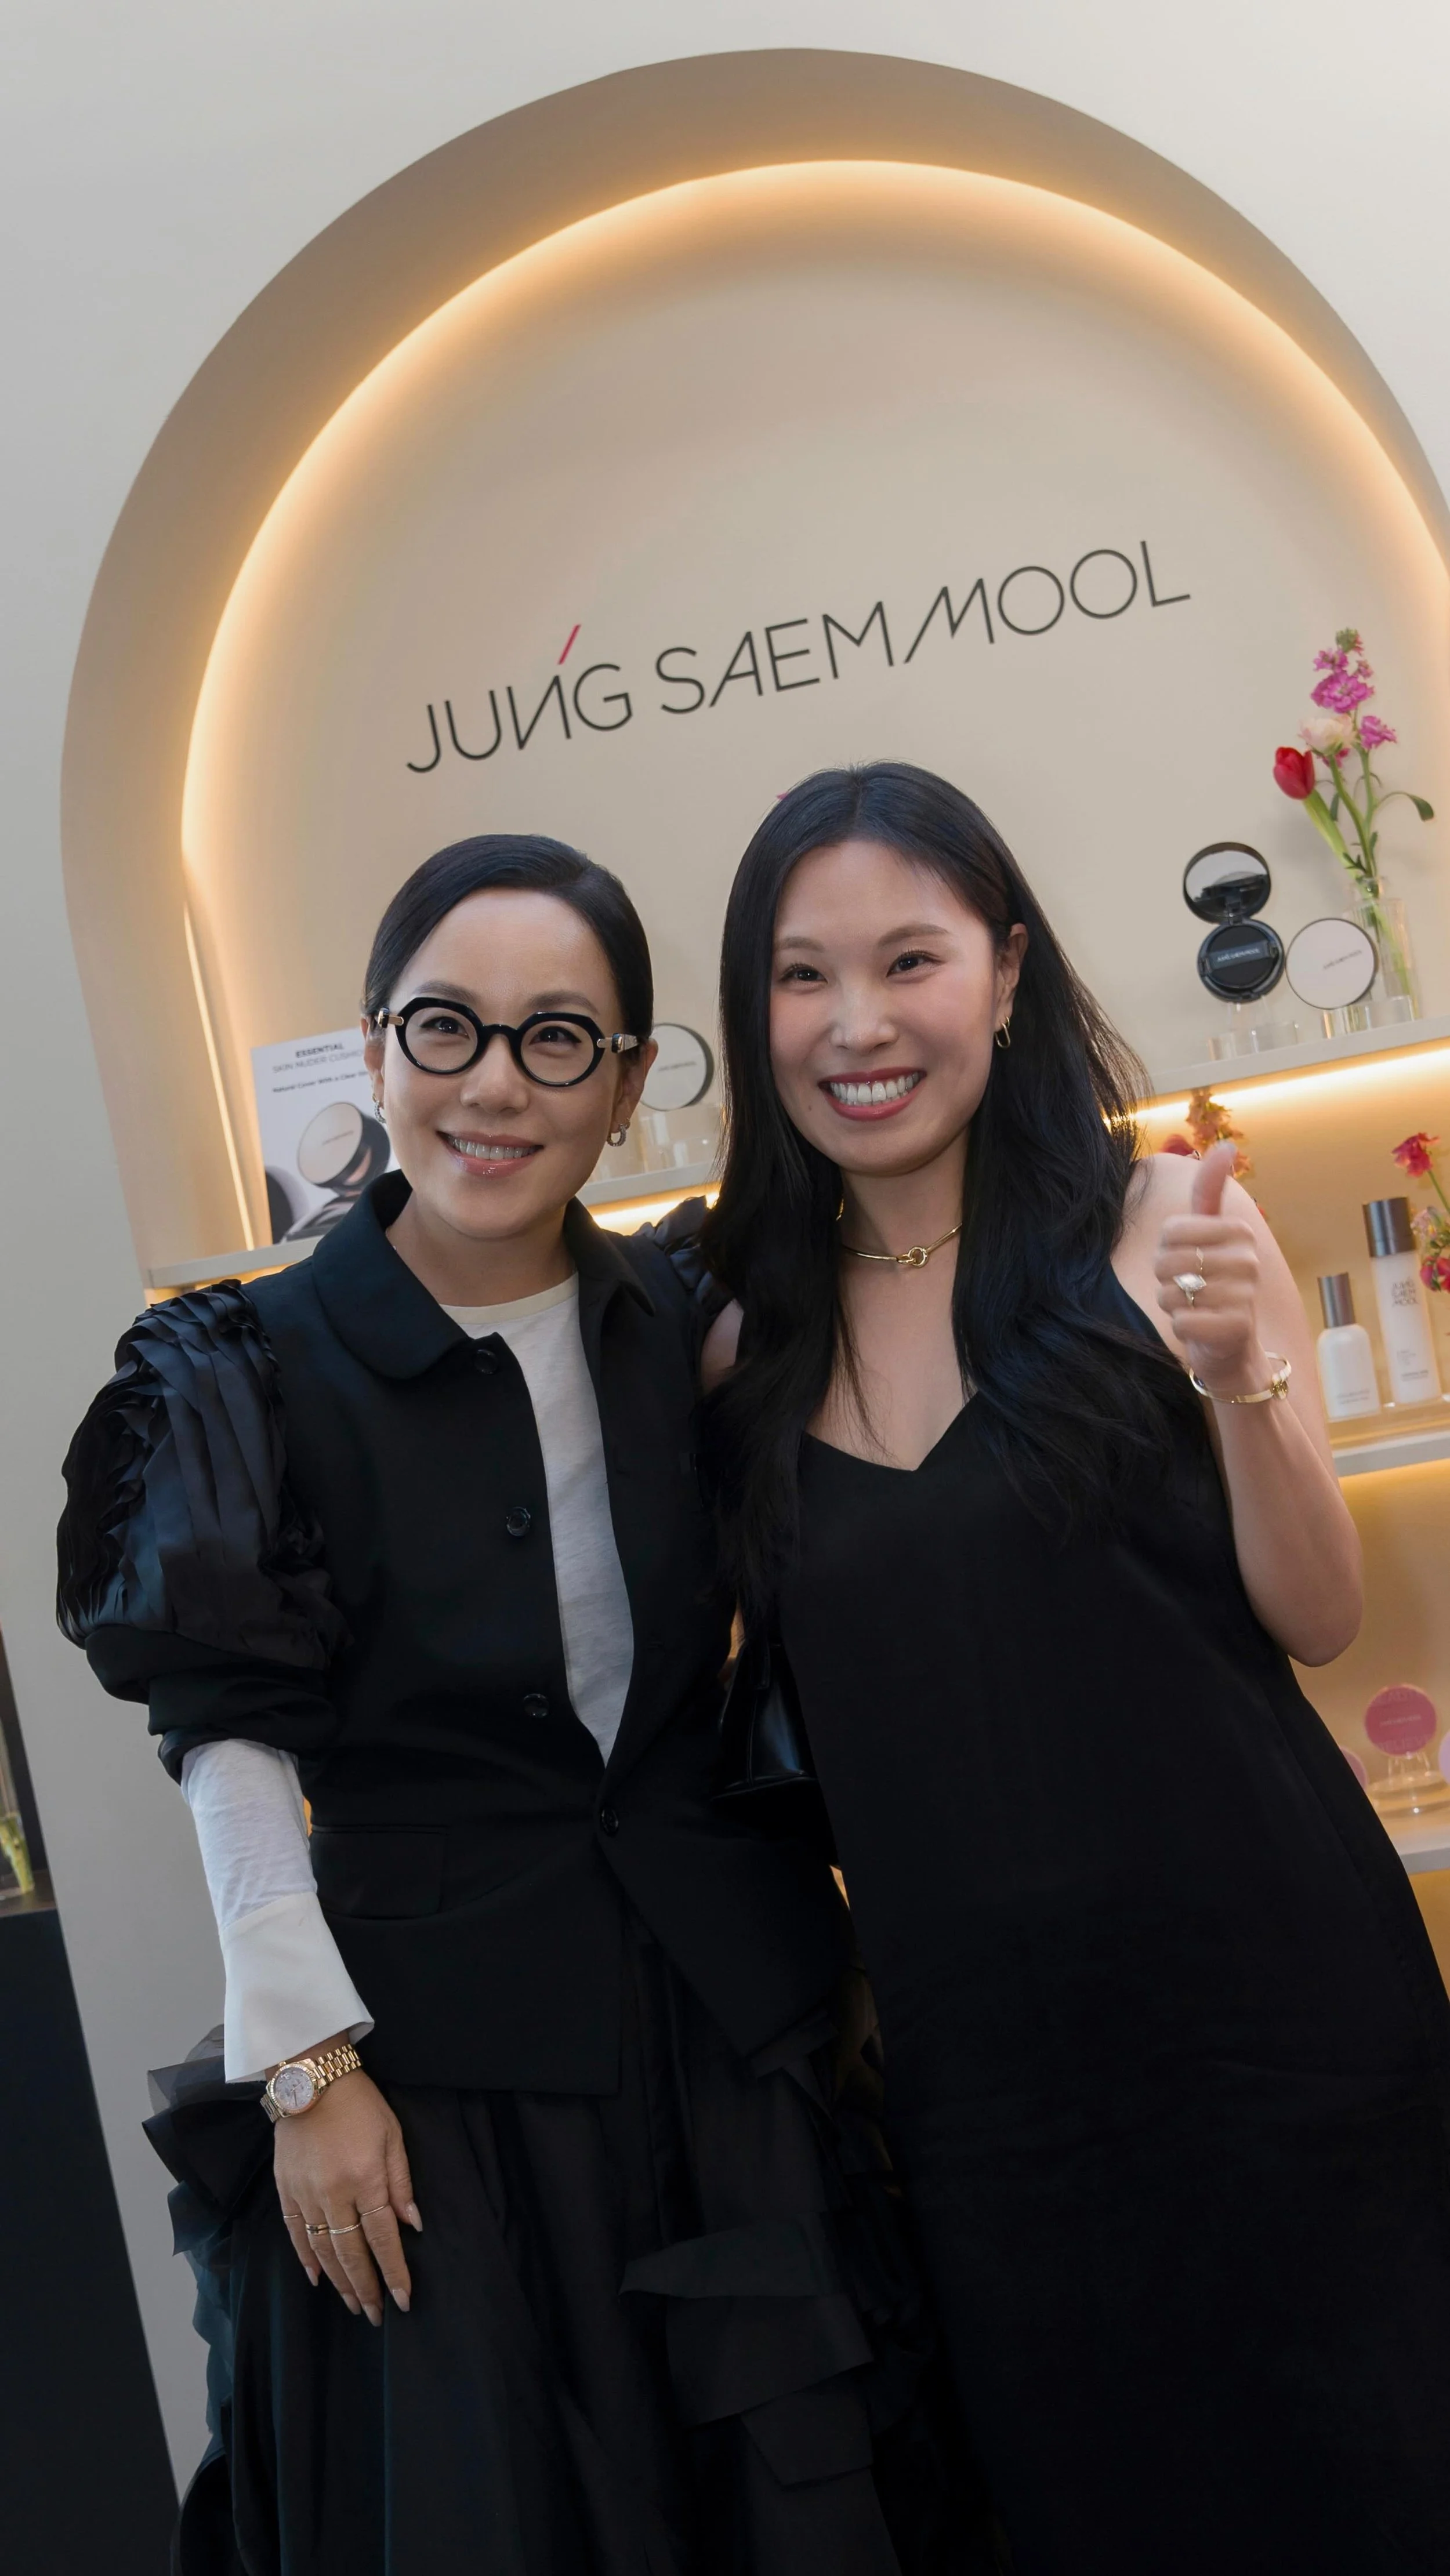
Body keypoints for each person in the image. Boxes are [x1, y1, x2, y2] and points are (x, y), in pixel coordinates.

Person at [57, 835, 965, 2576]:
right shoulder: (244, 1367)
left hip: (727, 2041)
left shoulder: (691, 1317)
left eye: (557, 1039)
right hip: (429, 2088)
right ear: (375, 1047)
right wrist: (306, 2067)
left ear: (623, 1085)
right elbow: (228, 1736)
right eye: (446, 1027)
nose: (495, 1085)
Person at [701, 762, 1450, 2576]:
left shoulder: (1160, 1220)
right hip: (988, 2094)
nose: (858, 1023)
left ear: (1007, 970)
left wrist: (1239, 1379)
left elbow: (1315, 1615)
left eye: (909, 960)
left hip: (1276, 2025)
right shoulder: (732, 1338)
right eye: (802, 976)